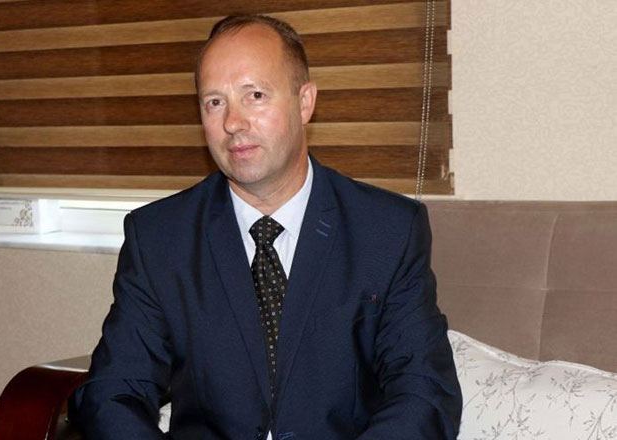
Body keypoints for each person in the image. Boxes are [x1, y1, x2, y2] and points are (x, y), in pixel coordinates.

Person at [74, 15, 462, 439]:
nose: (233, 122)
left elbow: (423, 391)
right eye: (214, 102)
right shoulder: (160, 238)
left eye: (255, 95)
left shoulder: (386, 231)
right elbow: (113, 391)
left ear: (305, 102)